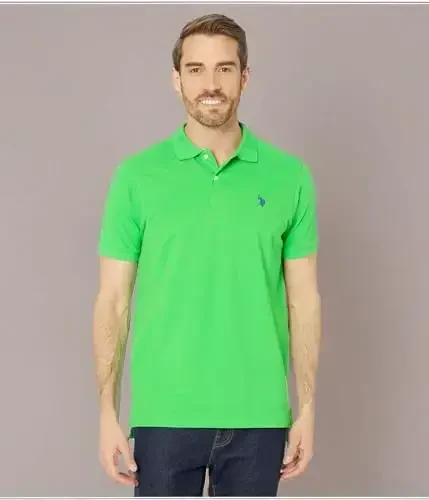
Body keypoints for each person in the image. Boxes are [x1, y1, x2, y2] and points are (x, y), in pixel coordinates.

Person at [92, 12, 322, 497]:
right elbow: (112, 302)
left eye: (224, 68)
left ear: (245, 77)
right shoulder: (136, 177)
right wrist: (107, 414)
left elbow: (304, 300)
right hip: (164, 414)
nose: (210, 84)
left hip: (260, 416)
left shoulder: (290, 177)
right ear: (177, 79)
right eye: (195, 69)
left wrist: (306, 409)